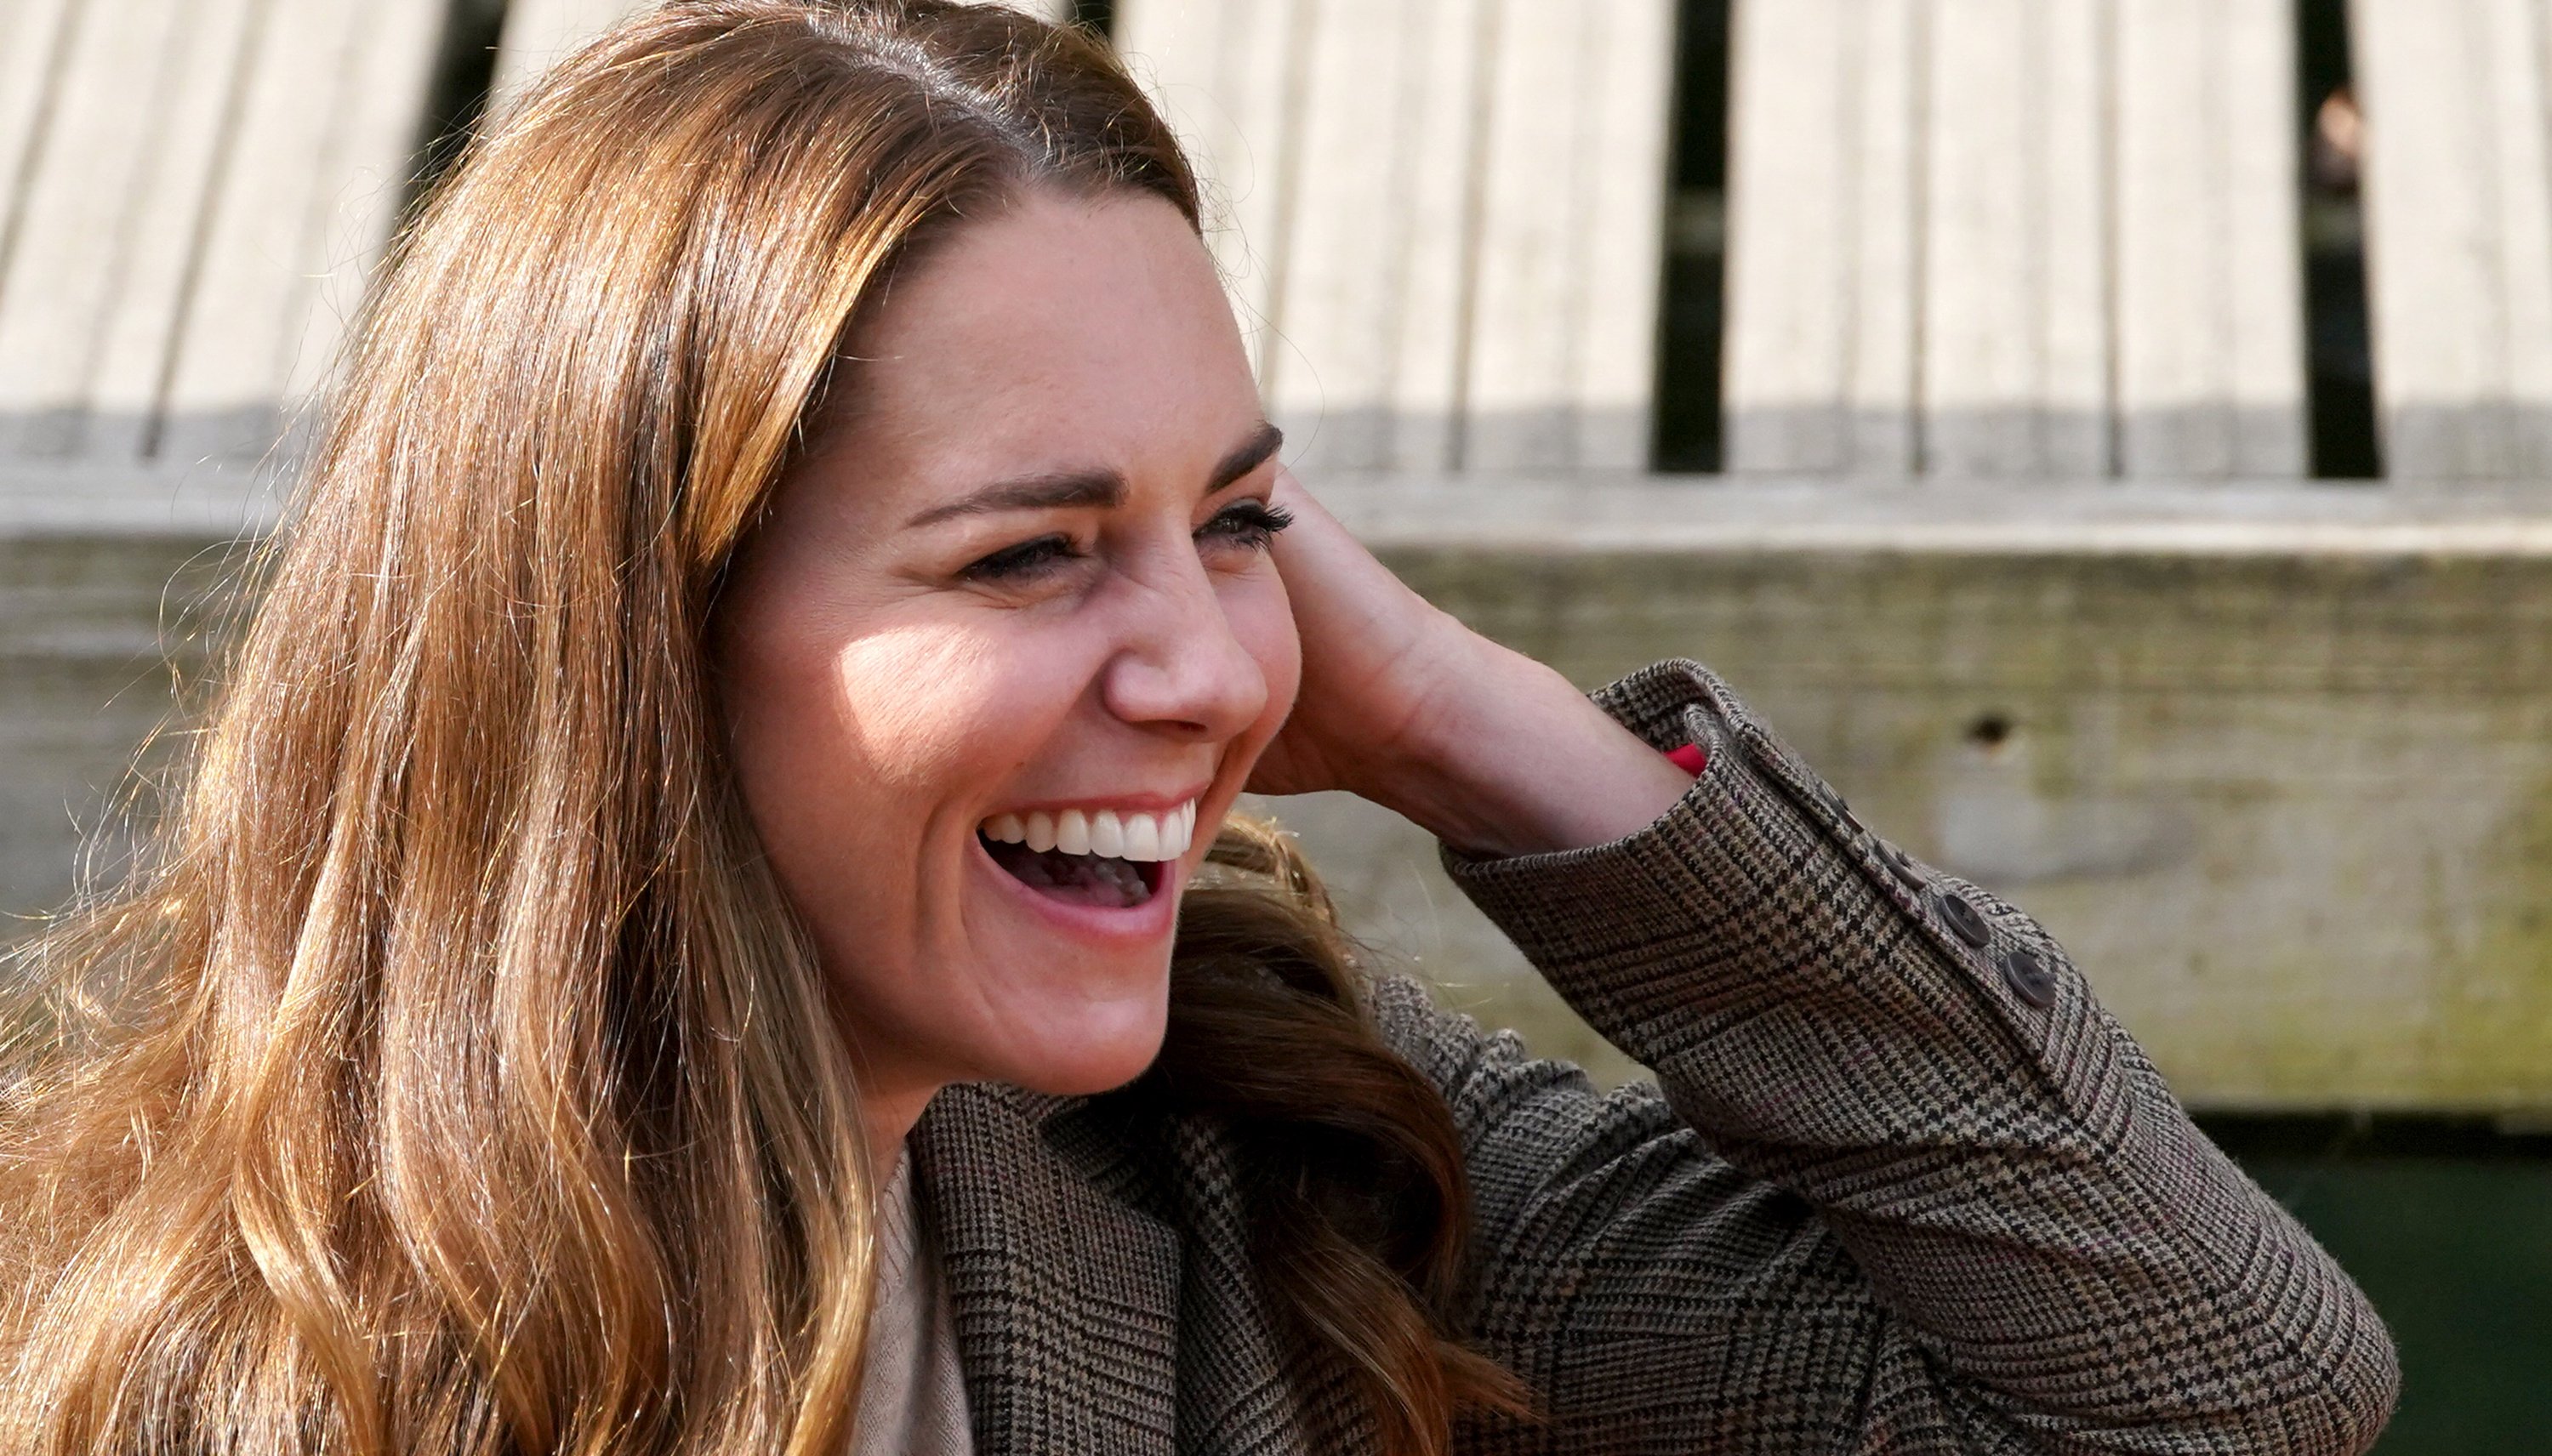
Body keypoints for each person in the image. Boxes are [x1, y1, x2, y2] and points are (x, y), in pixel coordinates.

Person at [0, 3, 2395, 1453]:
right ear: (629, 637)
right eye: (1031, 553)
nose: (1217, 672)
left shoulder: (1257, 1143)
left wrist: (1483, 733)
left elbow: (2219, 1388)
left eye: (1243, 526)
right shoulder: (174, 1362)